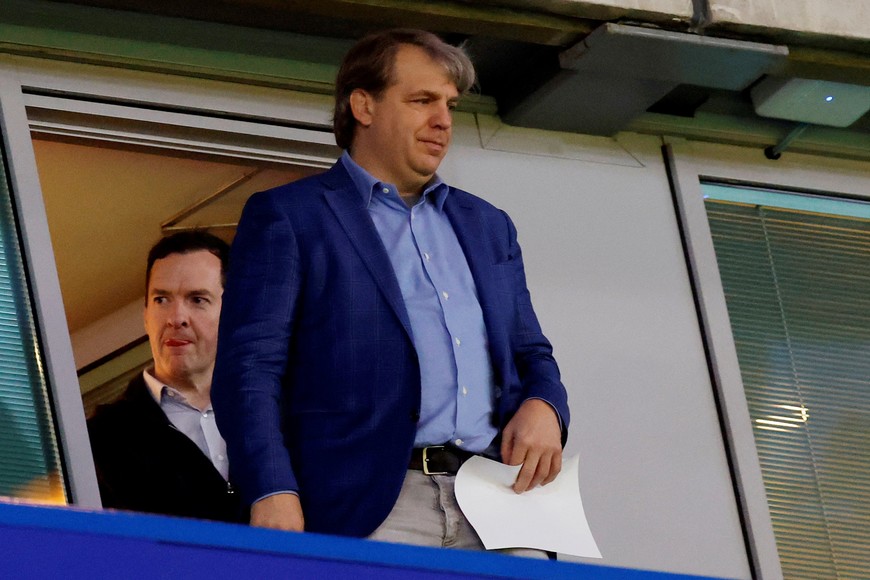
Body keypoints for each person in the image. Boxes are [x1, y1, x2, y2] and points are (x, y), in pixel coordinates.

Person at [212, 28, 569, 549]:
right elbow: (249, 370)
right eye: (422, 100)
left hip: (501, 497)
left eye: (449, 104)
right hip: (373, 506)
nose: (443, 120)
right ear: (364, 106)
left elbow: (532, 352)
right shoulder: (290, 217)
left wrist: (545, 406)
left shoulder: (488, 225)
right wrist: (271, 487)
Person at [88, 231, 242, 522]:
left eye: (197, 299)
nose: (176, 318)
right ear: (145, 314)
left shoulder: (278, 413)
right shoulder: (100, 440)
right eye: (161, 300)